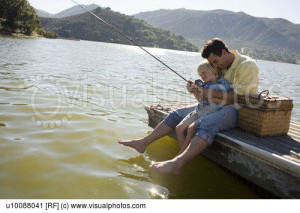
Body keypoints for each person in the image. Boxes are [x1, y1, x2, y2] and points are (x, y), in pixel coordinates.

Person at [118, 38, 259, 175]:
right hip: (215, 104)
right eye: (212, 64)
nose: (215, 66)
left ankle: (178, 163)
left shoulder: (247, 66)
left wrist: (207, 92)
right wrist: (196, 90)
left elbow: (239, 98)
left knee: (206, 123)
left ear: (223, 52)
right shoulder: (220, 65)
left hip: (236, 109)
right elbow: (211, 90)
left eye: (215, 62)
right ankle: (143, 143)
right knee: (175, 114)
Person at [176, 61, 232, 156]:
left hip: (209, 113)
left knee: (190, 129)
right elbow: (200, 100)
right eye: (200, 74)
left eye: (204, 72)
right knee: (179, 128)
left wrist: (210, 97)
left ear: (213, 71)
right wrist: (194, 91)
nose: (202, 76)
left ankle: (180, 156)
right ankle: (183, 154)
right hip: (199, 111)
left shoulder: (224, 83)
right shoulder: (204, 85)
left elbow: (227, 102)